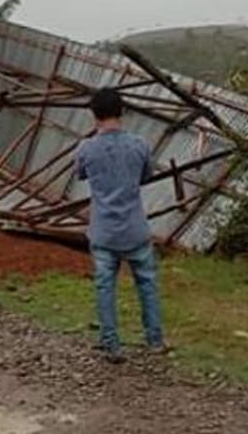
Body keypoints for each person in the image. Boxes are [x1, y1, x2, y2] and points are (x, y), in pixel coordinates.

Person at [74, 87, 167, 363]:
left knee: (105, 287)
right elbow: (146, 175)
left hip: (103, 230)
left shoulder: (86, 148)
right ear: (122, 111)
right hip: (135, 228)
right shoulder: (139, 145)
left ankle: (111, 344)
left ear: (94, 115)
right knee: (147, 285)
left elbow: (79, 173)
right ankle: (155, 340)